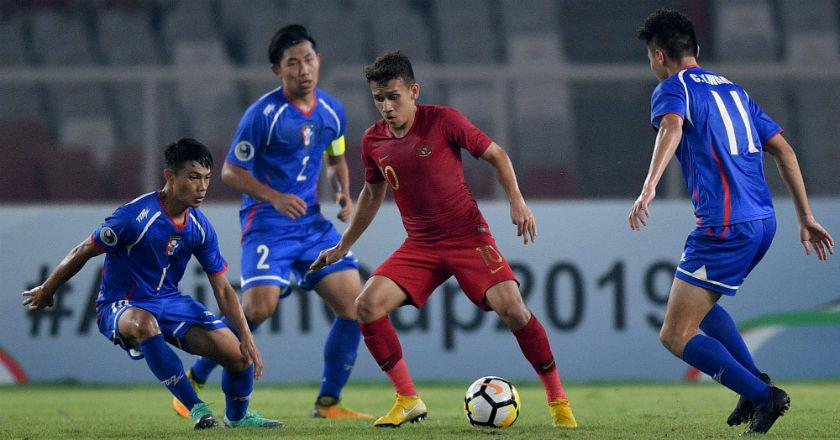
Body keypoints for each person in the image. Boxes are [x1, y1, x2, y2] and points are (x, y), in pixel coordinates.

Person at [311, 50, 578, 429]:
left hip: (468, 237)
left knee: (514, 310)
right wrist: (343, 245)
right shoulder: (373, 140)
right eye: (378, 98)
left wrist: (517, 203)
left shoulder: (443, 120)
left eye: (393, 96)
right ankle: (407, 398)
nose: (386, 106)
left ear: (414, 91)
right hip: (420, 244)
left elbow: (497, 155)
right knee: (366, 305)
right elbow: (372, 193)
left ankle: (558, 400)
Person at [629, 9, 835, 435]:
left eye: (651, 58)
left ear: (660, 55)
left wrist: (650, 184)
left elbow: (671, 126)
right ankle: (752, 383)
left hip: (724, 227)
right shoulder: (735, 91)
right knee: (703, 312)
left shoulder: (673, 87)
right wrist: (806, 217)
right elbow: (786, 152)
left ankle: (765, 396)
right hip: (764, 222)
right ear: (698, 51)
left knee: (674, 334)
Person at [174, 24, 371, 420]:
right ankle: (198, 376)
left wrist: (343, 192)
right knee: (259, 308)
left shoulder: (332, 111)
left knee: (357, 306)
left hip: (311, 225)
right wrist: (275, 197)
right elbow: (230, 171)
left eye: (309, 60)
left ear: (320, 62)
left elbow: (334, 158)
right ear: (277, 71)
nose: (303, 69)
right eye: (292, 63)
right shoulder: (262, 115)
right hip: (266, 222)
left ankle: (328, 403)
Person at [21, 138, 283, 430]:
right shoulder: (134, 217)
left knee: (238, 356)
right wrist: (47, 290)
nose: (202, 186)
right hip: (121, 304)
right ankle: (196, 407)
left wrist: (246, 335)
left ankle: (237, 417)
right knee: (145, 324)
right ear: (170, 176)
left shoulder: (199, 226)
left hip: (170, 302)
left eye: (207, 178)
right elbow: (82, 251)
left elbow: (222, 288)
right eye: (193, 177)